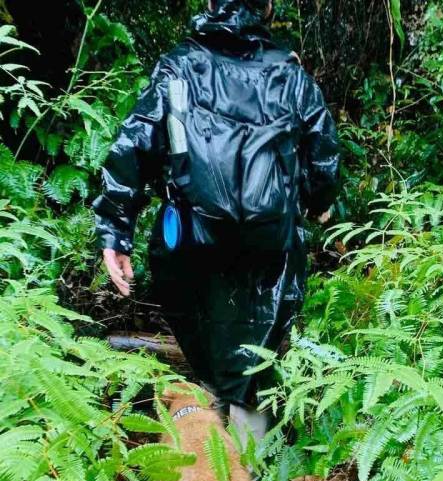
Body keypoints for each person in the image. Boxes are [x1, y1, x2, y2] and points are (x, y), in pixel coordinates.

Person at [94, 0, 340, 441]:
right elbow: (322, 151)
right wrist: (318, 199)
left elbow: (134, 143)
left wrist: (116, 230)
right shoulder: (290, 73)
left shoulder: (178, 66)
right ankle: (250, 472)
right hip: (268, 242)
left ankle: (207, 444)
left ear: (209, 5)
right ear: (265, 8)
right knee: (254, 355)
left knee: (207, 340)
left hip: (192, 237)